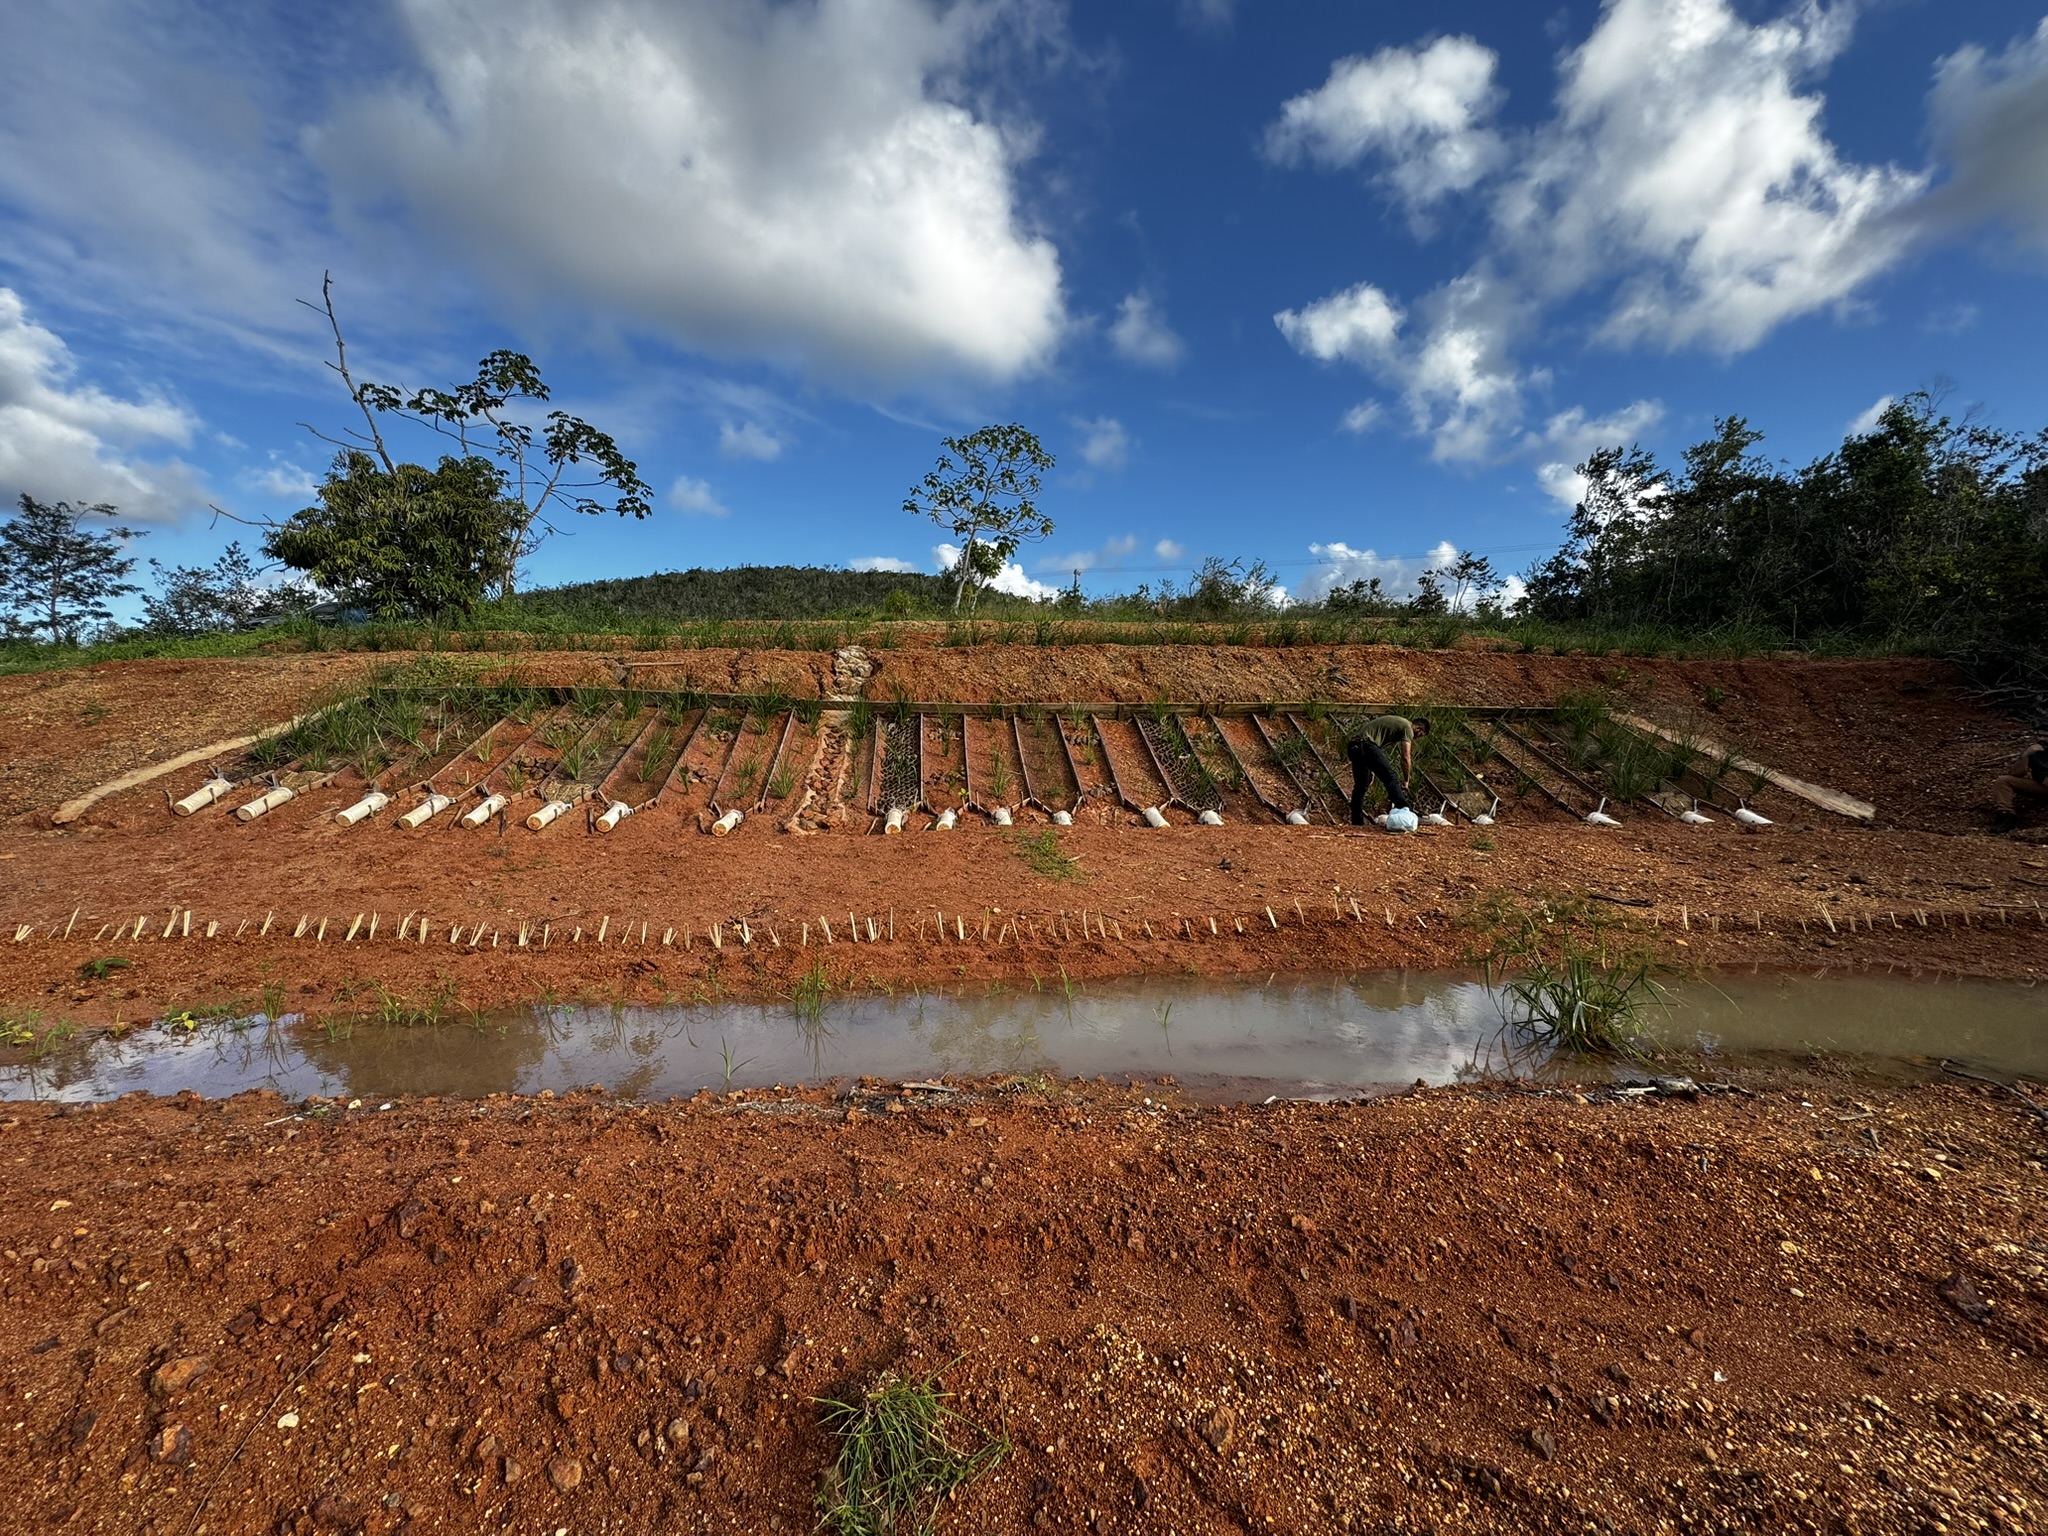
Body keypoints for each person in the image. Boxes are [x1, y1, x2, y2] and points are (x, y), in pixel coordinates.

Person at [1347, 714, 1430, 825]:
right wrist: (1406, 780)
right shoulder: (1408, 727)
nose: (1415, 738)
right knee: (1390, 777)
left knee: (1361, 785)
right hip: (1365, 744)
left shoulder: (1400, 722)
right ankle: (1405, 810)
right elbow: (1406, 757)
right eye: (1419, 735)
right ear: (1418, 728)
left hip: (1354, 746)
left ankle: (1357, 821)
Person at [1991, 740, 2048, 834]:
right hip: (2041, 787)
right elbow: (2016, 773)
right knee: (2003, 781)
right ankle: (2006, 815)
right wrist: (2025, 755)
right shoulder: (2037, 751)